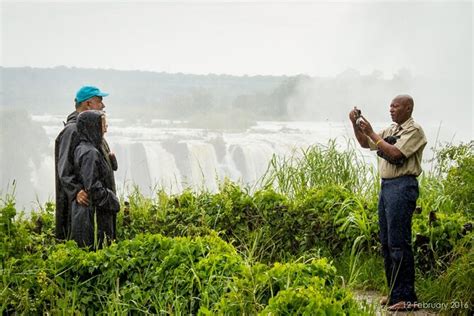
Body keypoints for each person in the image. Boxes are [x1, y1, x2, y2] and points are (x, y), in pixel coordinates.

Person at [349, 95, 427, 311]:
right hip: (387, 187)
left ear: (408, 108)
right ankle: (394, 293)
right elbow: (366, 143)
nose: (391, 109)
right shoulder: (392, 130)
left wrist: (372, 131)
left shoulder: (415, 131)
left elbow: (395, 153)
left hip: (403, 186)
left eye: (396, 106)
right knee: (387, 242)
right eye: (390, 106)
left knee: (399, 242)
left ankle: (407, 297)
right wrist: (355, 125)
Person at [54, 86, 118, 240]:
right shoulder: (72, 130)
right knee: (81, 237)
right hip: (83, 201)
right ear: (88, 104)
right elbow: (64, 167)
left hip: (96, 197)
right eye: (99, 101)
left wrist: (110, 161)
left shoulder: (91, 126)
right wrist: (76, 190)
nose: (103, 106)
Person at [69, 110, 120, 247]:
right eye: (102, 124)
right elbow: (92, 187)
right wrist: (112, 200)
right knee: (96, 251)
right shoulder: (89, 153)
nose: (106, 128)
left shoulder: (90, 147)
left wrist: (110, 162)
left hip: (92, 212)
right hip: (93, 215)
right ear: (92, 126)